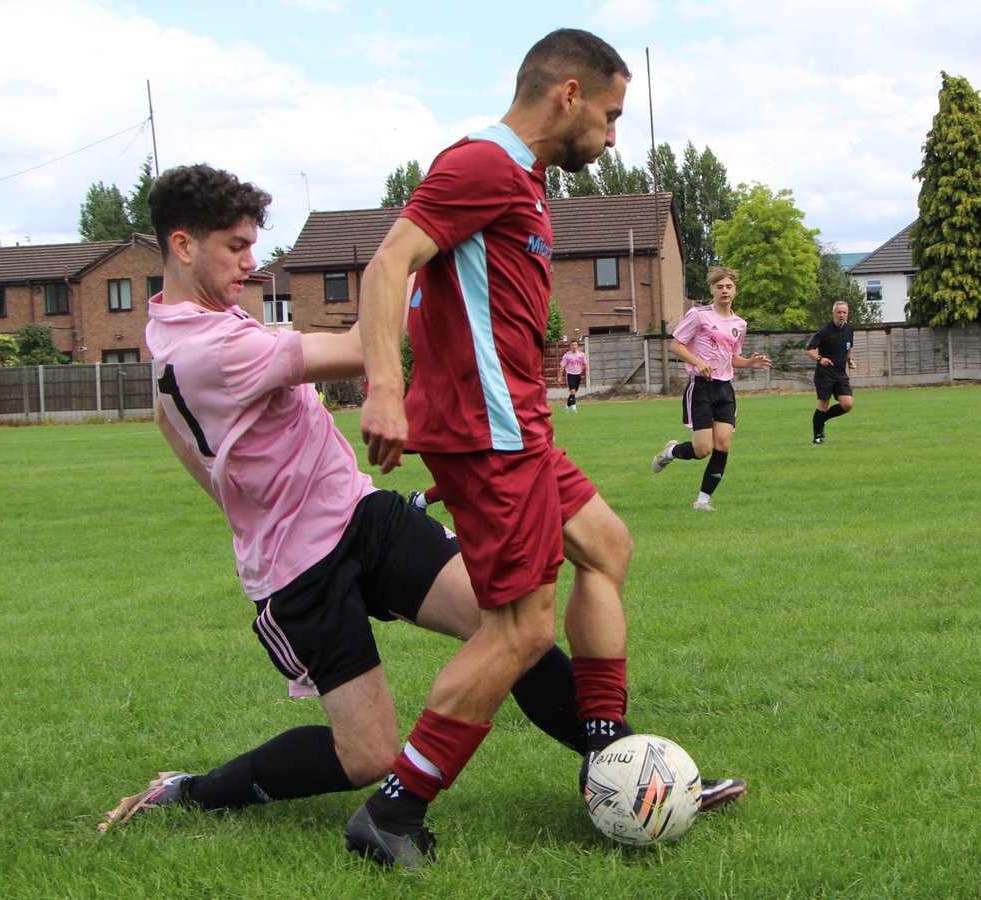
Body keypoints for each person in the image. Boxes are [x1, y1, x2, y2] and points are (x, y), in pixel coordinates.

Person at [97, 163, 607, 838]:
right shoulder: (212, 346)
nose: (251, 264)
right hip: (298, 570)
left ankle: (623, 764)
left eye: (253, 245)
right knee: (366, 755)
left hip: (362, 516)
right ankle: (190, 791)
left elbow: (174, 430)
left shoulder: (171, 331)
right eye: (235, 247)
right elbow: (360, 349)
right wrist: (422, 266)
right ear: (184, 246)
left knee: (512, 626)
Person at [357, 29, 744, 868]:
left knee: (607, 547)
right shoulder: (483, 164)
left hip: (521, 430)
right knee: (521, 631)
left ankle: (608, 755)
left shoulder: (522, 183)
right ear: (567, 93)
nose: (609, 139)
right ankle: (393, 812)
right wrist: (385, 389)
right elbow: (389, 265)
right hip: (489, 440)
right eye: (608, 117)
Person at [650, 267, 771, 510]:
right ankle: (671, 452)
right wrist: (698, 362)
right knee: (702, 449)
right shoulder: (698, 315)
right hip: (701, 388)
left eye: (728, 286)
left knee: (723, 444)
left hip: (725, 389)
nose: (724, 290)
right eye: (719, 286)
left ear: (735, 290)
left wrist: (749, 363)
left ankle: (703, 501)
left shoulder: (739, 324)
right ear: (712, 290)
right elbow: (676, 346)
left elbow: (732, 357)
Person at [806, 300, 856, 445]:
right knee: (823, 404)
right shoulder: (825, 331)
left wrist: (850, 360)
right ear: (833, 313)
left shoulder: (849, 329)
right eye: (839, 312)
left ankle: (822, 419)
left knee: (847, 404)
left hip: (840, 374)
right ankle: (816, 438)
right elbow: (809, 350)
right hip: (825, 374)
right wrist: (820, 358)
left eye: (844, 312)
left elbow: (850, 346)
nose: (841, 315)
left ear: (847, 314)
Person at [558, 340, 589, 412]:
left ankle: (567, 406)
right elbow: (562, 366)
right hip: (570, 374)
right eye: (572, 345)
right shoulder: (567, 355)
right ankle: (574, 408)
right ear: (570, 346)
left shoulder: (582, 354)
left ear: (577, 346)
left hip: (578, 374)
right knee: (573, 391)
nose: (574, 346)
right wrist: (560, 377)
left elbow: (586, 363)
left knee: (574, 392)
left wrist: (587, 372)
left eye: (575, 345)